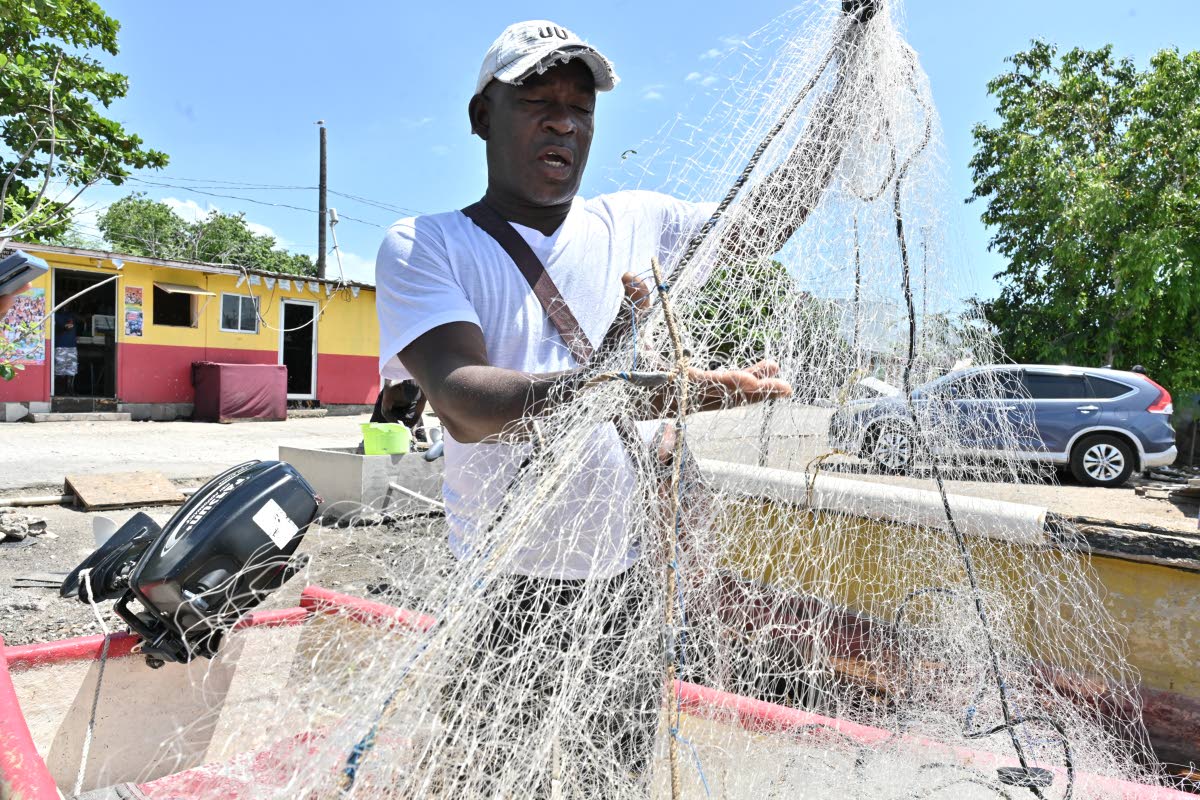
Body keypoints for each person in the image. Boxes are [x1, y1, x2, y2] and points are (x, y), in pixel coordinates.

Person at [375, 11, 873, 792]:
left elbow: (769, 217)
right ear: (482, 117)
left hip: (626, 591)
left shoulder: (635, 221)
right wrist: (646, 387)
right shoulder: (428, 244)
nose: (563, 122)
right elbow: (465, 401)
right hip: (508, 595)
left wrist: (848, 72)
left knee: (613, 780)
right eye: (537, 99)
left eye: (580, 106)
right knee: (498, 782)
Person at [54, 309, 81, 396]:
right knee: (59, 371)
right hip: (60, 346)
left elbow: (81, 320)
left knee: (72, 370)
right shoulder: (56, 315)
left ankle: (70, 390)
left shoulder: (72, 315)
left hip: (72, 347)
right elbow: (65, 326)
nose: (66, 306)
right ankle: (58, 392)